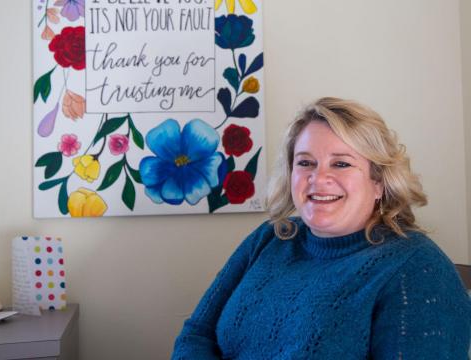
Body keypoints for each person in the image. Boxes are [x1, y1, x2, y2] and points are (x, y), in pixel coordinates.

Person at [171, 97, 471, 359]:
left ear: (378, 181)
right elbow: (196, 335)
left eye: (341, 164)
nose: (319, 177)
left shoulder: (416, 268)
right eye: (305, 163)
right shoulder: (272, 236)